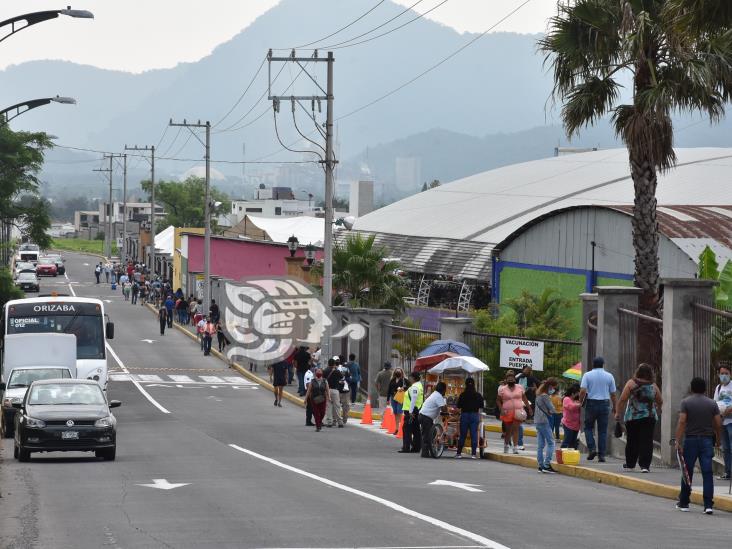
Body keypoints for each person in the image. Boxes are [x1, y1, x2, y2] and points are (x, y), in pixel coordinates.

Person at [675, 377, 722, 514]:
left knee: (687, 472)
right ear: (705, 388)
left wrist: (677, 439)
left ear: (692, 388)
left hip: (690, 440)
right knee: (707, 472)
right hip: (707, 440)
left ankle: (684, 502)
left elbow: (682, 421)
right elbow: (718, 424)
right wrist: (718, 440)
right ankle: (708, 505)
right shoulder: (712, 404)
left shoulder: (686, 402)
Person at [615, 363, 663, 472]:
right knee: (647, 440)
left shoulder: (631, 384)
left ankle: (630, 463)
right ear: (650, 373)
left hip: (633, 417)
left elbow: (622, 399)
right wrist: (658, 409)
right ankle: (645, 466)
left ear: (638, 372)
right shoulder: (653, 385)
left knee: (632, 440)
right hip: (649, 417)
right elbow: (660, 400)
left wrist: (618, 413)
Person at [579, 356, 618, 462]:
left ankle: (592, 449)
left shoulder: (587, 375)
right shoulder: (609, 376)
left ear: (593, 364)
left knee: (588, 428)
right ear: (603, 364)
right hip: (605, 404)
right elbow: (613, 394)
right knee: (602, 431)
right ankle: (602, 455)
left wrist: (581, 401)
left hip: (591, 403)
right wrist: (615, 407)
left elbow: (583, 391)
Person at [497, 370, 531, 454]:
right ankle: (506, 445)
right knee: (508, 430)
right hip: (507, 412)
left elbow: (524, 398)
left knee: (516, 429)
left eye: (512, 378)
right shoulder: (502, 389)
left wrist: (529, 408)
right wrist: (501, 409)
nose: (511, 380)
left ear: (514, 379)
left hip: (518, 411)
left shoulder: (520, 387)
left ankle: (515, 448)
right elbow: (498, 400)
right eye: (509, 379)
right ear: (506, 380)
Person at [455, 377, 484, 459]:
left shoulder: (462, 395)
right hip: (475, 415)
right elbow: (481, 407)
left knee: (463, 435)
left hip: (464, 415)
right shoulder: (478, 395)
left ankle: (458, 453)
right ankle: (474, 454)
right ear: (474, 384)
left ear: (465, 384)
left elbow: (458, 407)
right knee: (474, 434)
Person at [534, 377, 559, 473]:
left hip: (537, 420)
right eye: (554, 387)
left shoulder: (538, 394)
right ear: (550, 386)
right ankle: (547, 464)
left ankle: (540, 465)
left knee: (540, 445)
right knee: (551, 442)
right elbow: (552, 408)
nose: (554, 390)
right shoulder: (545, 396)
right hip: (544, 420)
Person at [419, 381, 448, 458]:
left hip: (423, 415)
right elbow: (444, 409)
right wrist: (445, 406)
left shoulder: (434, 394)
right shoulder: (438, 396)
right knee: (427, 435)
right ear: (443, 390)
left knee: (431, 433)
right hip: (426, 417)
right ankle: (425, 453)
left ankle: (428, 450)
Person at [713, 365, 732, 481]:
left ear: (730, 374)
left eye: (726, 373)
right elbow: (715, 404)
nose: (724, 376)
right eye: (722, 373)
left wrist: (726, 412)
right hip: (722, 422)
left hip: (731, 421)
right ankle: (728, 472)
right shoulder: (718, 388)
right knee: (725, 448)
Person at [323, 358, 344, 428]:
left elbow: (323, 380)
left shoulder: (325, 371)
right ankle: (340, 422)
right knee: (337, 406)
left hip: (327, 390)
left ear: (328, 364)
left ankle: (329, 422)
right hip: (335, 390)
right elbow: (342, 377)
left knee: (328, 406)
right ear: (334, 364)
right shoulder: (337, 371)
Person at [561, 384, 581, 450]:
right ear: (572, 393)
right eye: (577, 393)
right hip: (568, 424)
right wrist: (580, 404)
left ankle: (570, 455)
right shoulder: (566, 399)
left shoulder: (576, 400)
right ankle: (562, 454)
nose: (578, 395)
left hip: (576, 425)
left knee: (573, 443)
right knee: (567, 440)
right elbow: (571, 407)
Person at [387, 368, 407, 436]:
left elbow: (409, 386)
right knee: (395, 412)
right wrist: (387, 399)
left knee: (399, 412)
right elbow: (389, 389)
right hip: (393, 397)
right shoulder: (392, 380)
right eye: (396, 371)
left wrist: (403, 388)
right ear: (394, 372)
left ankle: (400, 427)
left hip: (400, 397)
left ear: (401, 372)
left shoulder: (404, 380)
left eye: (399, 371)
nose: (397, 372)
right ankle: (396, 428)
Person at [337, 359, 351, 424]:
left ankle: (337, 419)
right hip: (345, 391)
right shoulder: (347, 370)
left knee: (337, 406)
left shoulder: (337, 370)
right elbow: (350, 380)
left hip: (338, 390)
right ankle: (344, 419)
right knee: (345, 406)